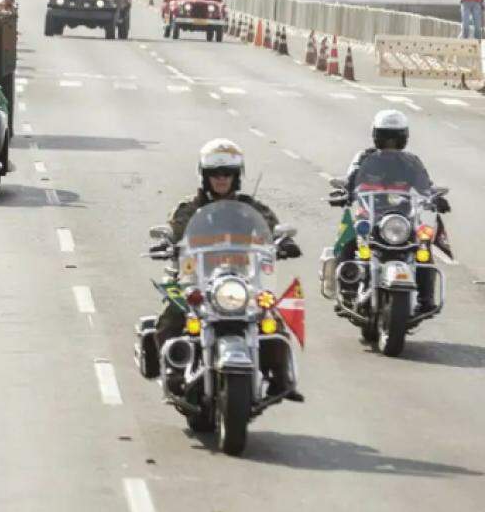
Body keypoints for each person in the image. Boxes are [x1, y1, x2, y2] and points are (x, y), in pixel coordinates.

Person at [149, 139, 302, 400]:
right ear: (205, 176)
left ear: (236, 176)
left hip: (242, 280)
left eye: (227, 174)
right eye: (215, 174)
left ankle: (280, 377)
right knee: (172, 317)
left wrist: (283, 242)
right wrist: (167, 243)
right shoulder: (189, 209)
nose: (221, 179)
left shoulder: (251, 208)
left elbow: (271, 229)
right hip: (195, 278)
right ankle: (173, 370)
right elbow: (174, 231)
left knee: (271, 321)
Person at [332, 110, 448, 313]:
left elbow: (424, 185)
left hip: (401, 217)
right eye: (386, 136)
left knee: (423, 246)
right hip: (369, 213)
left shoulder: (411, 161)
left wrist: (435, 198)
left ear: (404, 137)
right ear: (377, 135)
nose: (391, 141)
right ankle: (346, 290)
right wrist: (344, 193)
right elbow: (351, 180)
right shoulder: (364, 158)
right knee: (349, 238)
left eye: (395, 136)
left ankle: (426, 298)